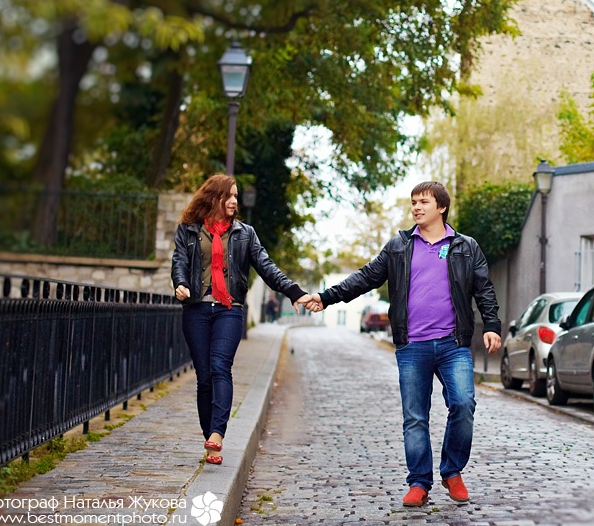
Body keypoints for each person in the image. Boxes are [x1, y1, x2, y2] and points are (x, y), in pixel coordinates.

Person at [304, 181, 502, 507]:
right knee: (415, 417)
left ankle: (452, 471)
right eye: (413, 202)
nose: (416, 207)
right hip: (412, 346)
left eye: (424, 202)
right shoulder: (399, 246)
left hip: (453, 344)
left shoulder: (466, 247)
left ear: (442, 207)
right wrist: (326, 297)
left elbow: (484, 289)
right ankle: (419, 482)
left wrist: (492, 325)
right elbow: (365, 277)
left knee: (463, 404)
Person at [172, 174, 310, 465]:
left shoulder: (245, 233)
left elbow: (266, 267)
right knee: (204, 377)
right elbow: (179, 261)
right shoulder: (189, 229)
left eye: (236, 196)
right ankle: (210, 441)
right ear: (214, 198)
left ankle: (217, 433)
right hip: (196, 310)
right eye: (229, 195)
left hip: (229, 309)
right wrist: (180, 284)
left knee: (220, 367)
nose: (234, 201)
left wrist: (294, 291)